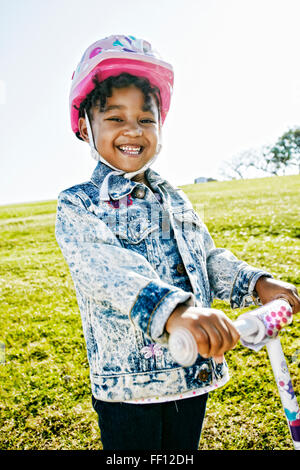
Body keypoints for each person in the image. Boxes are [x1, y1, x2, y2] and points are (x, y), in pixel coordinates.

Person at [55, 34, 300, 451]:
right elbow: (110, 273)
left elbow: (205, 258)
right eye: (115, 118)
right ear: (84, 127)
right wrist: (174, 312)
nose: (133, 129)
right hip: (131, 389)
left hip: (192, 376)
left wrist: (255, 283)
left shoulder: (173, 197)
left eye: (146, 119)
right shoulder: (79, 204)